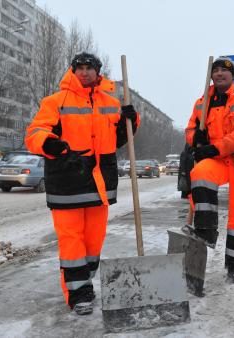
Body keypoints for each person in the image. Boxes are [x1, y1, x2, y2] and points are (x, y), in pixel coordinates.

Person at [25, 52, 140, 315]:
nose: (85, 72)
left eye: (90, 68)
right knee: (71, 240)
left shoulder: (111, 103)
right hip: (67, 180)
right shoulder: (55, 101)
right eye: (80, 68)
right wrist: (48, 142)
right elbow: (35, 132)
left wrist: (131, 120)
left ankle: (84, 280)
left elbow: (121, 139)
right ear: (73, 71)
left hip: (100, 183)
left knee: (93, 241)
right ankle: (79, 294)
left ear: (98, 72)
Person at [183, 57, 234, 284]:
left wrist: (214, 148)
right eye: (215, 70)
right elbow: (189, 130)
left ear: (233, 76)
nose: (219, 74)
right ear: (211, 76)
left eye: (224, 71)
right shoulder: (202, 102)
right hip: (217, 160)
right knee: (200, 174)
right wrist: (195, 137)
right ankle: (206, 229)